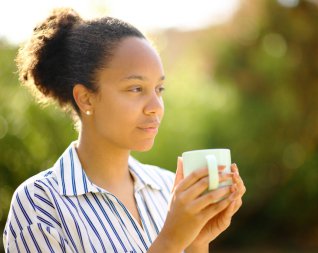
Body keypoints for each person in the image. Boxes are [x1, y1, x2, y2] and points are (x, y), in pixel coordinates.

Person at [3, 7, 245, 253]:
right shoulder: (40, 203)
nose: (156, 108)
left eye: (158, 90)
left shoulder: (167, 187)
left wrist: (196, 243)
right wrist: (171, 241)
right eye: (136, 89)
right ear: (86, 98)